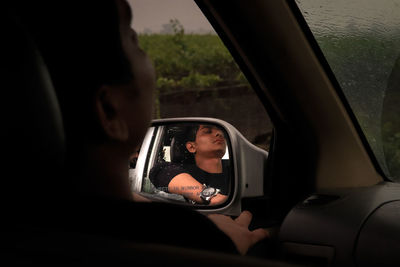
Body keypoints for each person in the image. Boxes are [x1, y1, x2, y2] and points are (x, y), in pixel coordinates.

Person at [19, 0, 268, 256]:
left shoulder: (28, 226)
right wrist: (216, 239)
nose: (217, 133)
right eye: (133, 38)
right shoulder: (181, 225)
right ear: (109, 110)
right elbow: (194, 196)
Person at [150, 124, 229, 205]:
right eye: (207, 131)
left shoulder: (237, 167)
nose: (219, 133)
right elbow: (158, 171)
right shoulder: (179, 170)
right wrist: (211, 196)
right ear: (192, 147)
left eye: (221, 132)